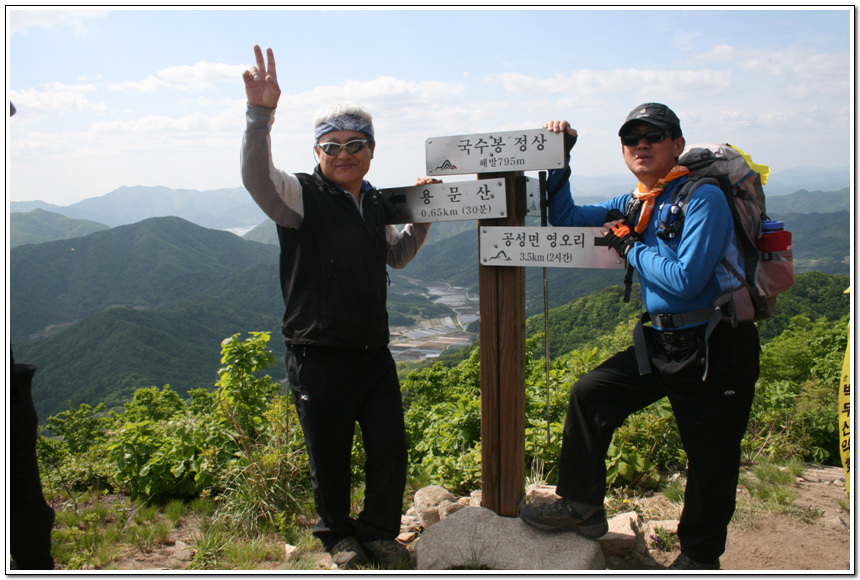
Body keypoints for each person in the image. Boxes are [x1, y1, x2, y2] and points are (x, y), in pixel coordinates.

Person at [518, 103, 760, 571]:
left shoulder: (703, 196)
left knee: (710, 458)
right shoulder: (636, 201)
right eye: (632, 138)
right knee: (591, 393)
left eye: (655, 135)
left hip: (716, 345)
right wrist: (560, 158)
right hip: (664, 342)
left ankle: (697, 557)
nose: (642, 144)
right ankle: (582, 506)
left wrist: (630, 245)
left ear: (677, 145)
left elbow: (687, 280)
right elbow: (565, 219)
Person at [240, 45, 433, 569]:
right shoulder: (301, 195)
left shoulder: (373, 200)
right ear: (318, 151)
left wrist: (423, 218)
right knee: (329, 452)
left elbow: (395, 257)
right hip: (318, 350)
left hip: (374, 349)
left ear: (371, 150)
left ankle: (377, 530)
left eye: (355, 143)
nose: (343, 153)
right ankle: (337, 535)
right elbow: (258, 179)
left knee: (389, 446)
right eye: (332, 145)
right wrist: (261, 116)